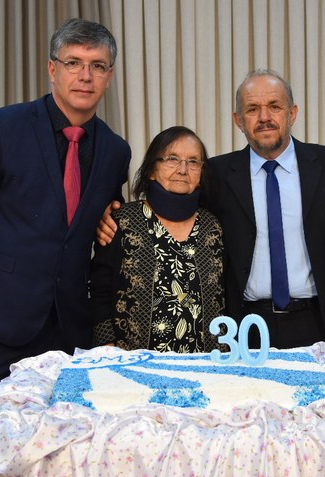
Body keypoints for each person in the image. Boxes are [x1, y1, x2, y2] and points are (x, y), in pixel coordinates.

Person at [0, 18, 131, 473]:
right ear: (52, 69)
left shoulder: (116, 150)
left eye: (97, 66)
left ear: (110, 76)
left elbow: (95, 217)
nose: (85, 76)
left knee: (54, 464)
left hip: (66, 336)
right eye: (74, 63)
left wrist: (108, 216)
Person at [99, 69, 325, 349]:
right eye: (252, 109)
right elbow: (171, 210)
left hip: (317, 321)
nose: (264, 117)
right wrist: (104, 214)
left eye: (274, 106)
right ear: (238, 120)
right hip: (242, 326)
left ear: (292, 113)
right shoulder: (216, 174)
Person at [90, 126, 225, 352]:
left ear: (201, 174)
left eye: (193, 162)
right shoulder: (122, 221)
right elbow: (98, 288)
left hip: (205, 362)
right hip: (134, 362)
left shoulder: (213, 226)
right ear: (152, 169)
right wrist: (107, 344)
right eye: (172, 159)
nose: (183, 169)